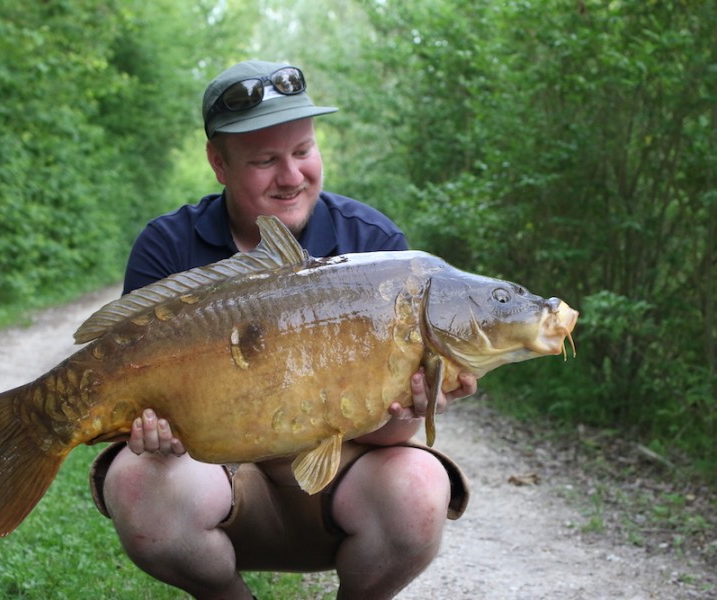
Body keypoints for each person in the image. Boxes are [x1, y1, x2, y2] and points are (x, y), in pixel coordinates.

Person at [89, 60, 478, 600]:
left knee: (418, 486)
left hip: (338, 484)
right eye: (265, 160)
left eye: (302, 152)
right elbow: (135, 404)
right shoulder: (168, 247)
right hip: (213, 475)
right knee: (137, 479)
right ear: (218, 162)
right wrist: (152, 431)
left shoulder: (376, 247)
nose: (292, 176)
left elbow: (391, 438)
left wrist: (412, 406)